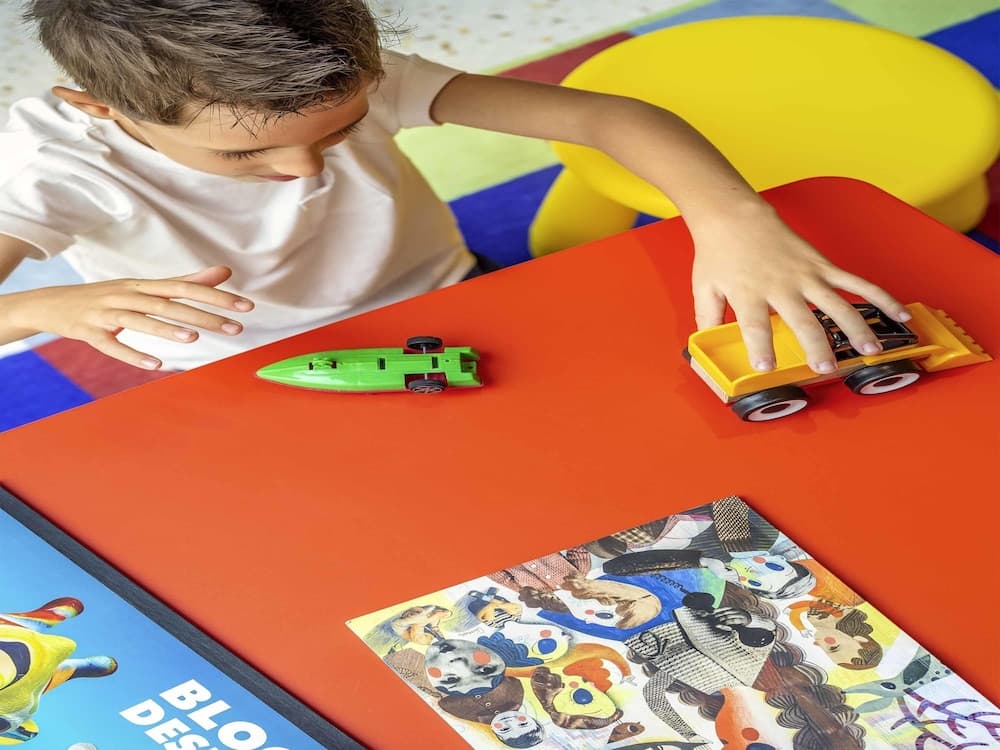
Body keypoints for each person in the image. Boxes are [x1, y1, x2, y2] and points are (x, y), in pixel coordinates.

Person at [0, 0, 910, 373]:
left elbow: (607, 116)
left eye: (342, 131)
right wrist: (46, 308)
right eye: (246, 159)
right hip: (236, 366)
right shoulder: (48, 163)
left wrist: (733, 217)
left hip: (449, 293)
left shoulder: (341, 76)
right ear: (99, 106)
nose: (306, 172)